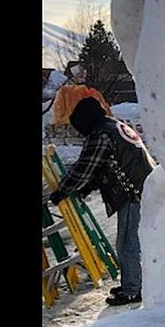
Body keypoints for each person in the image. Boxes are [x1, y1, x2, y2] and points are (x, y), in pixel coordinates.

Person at [49, 97, 157, 306]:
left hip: (134, 193)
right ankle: (133, 283)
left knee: (127, 244)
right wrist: (89, 186)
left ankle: (133, 290)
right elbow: (102, 165)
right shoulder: (113, 126)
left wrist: (61, 191)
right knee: (130, 242)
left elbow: (84, 168)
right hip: (144, 188)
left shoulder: (101, 134)